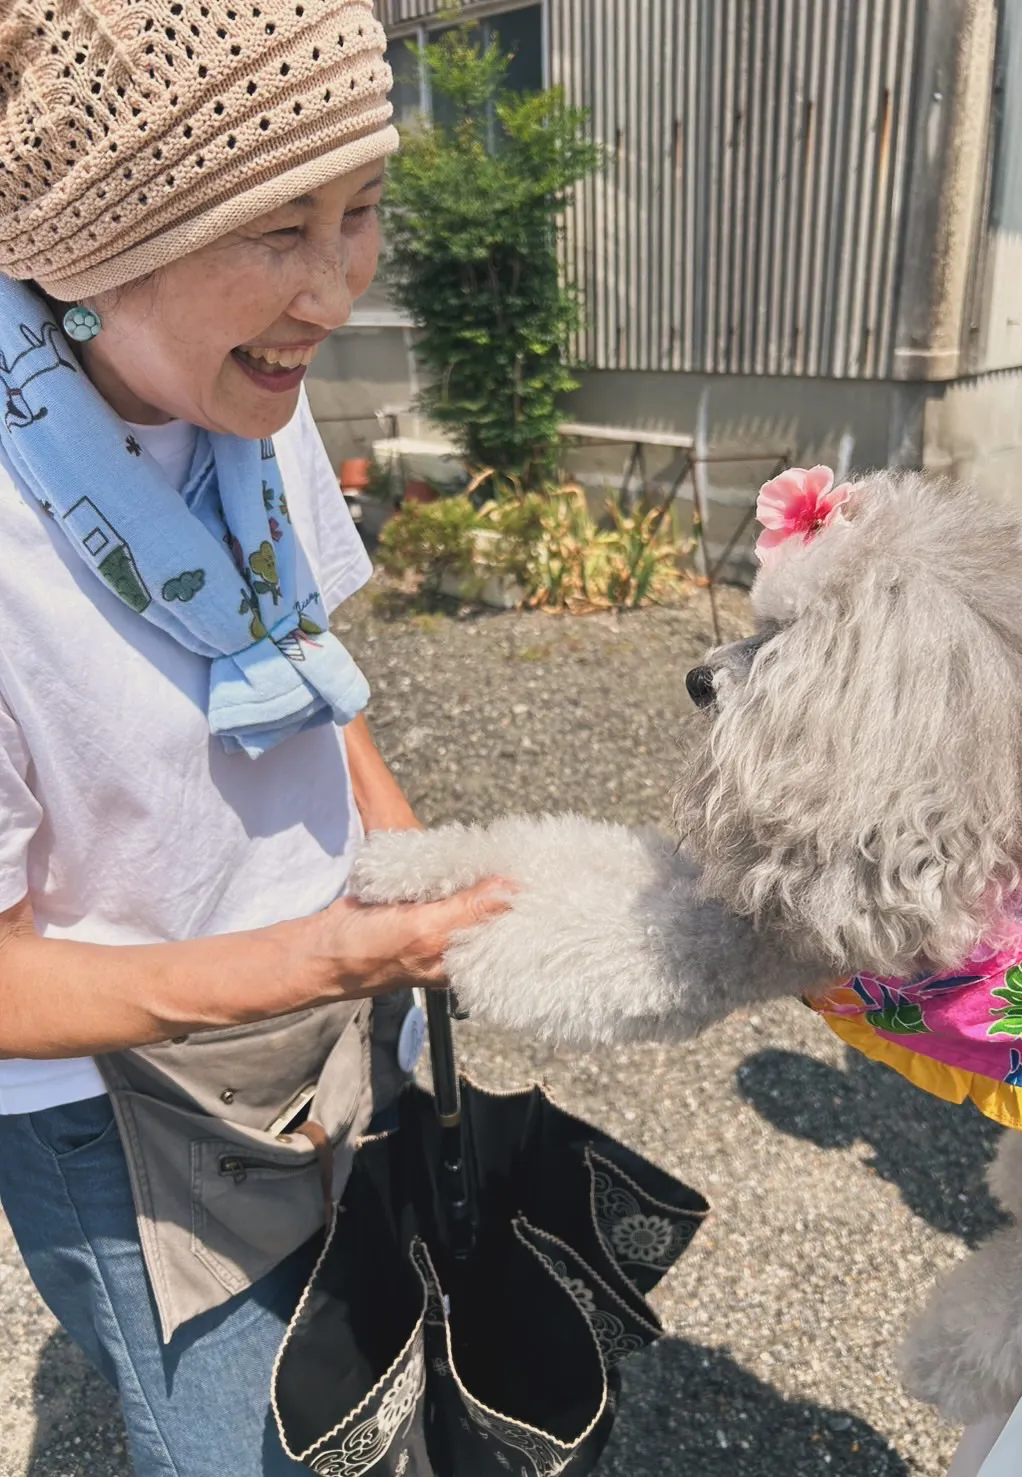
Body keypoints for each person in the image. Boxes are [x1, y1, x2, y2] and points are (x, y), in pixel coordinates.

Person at [0, 3, 508, 1472]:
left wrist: (416, 878)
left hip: (344, 1010)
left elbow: (308, 672)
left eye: (360, 213)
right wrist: (323, 961)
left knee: (384, 1378)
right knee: (257, 1449)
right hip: (131, 1117)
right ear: (88, 252)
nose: (338, 291)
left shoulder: (237, 387)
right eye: (279, 227)